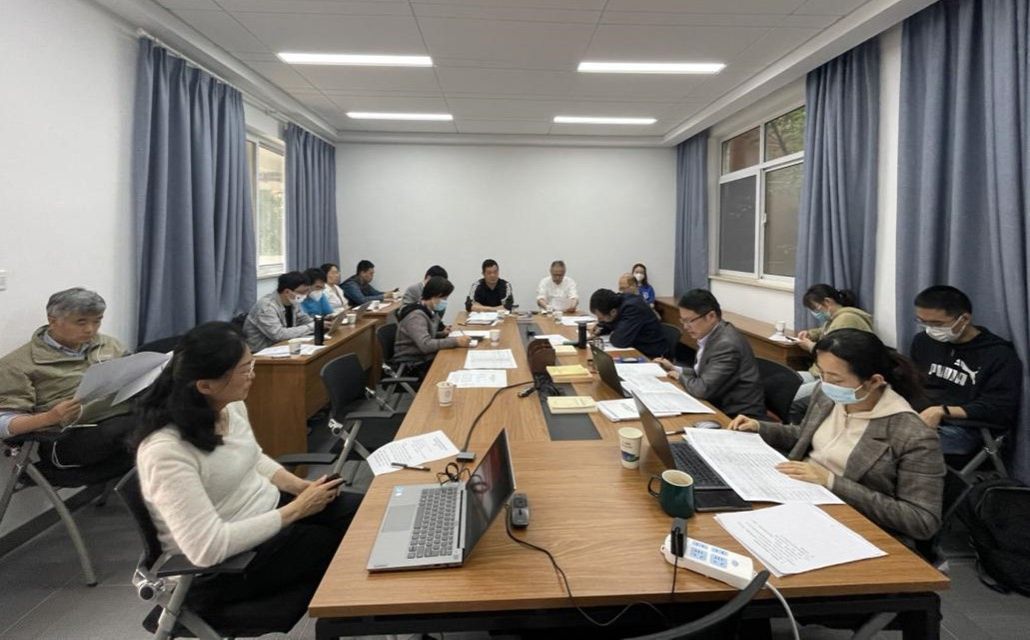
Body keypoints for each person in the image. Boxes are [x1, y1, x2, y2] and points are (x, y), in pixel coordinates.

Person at [134, 322, 360, 609]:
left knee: (363, 515)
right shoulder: (165, 451)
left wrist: (300, 488)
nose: (253, 375)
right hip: (228, 563)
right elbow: (207, 549)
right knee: (343, 551)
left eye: (251, 364)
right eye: (245, 370)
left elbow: (253, 457)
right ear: (205, 386)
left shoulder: (229, 406)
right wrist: (299, 509)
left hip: (271, 513)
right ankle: (354, 619)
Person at [727, 329, 945, 543]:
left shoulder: (912, 435)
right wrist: (759, 427)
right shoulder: (828, 395)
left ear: (874, 381)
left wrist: (831, 481)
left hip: (850, 522)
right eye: (822, 374)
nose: (825, 384)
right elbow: (804, 435)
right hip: (798, 494)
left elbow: (921, 521)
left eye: (836, 380)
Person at [0, 288, 134, 472]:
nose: (90, 329)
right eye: (81, 322)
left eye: (97, 321)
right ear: (52, 321)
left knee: (167, 415)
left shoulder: (107, 344)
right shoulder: (17, 365)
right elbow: (4, 422)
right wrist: (49, 417)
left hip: (121, 415)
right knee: (146, 431)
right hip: (68, 438)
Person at [911, 285, 1023, 455]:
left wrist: (942, 411)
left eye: (937, 323)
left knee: (906, 446)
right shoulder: (923, 342)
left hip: (967, 426)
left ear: (964, 319)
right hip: (924, 415)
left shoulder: (998, 354)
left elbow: (999, 408)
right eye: (922, 322)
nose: (930, 329)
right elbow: (915, 383)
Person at [654, 289, 765, 419]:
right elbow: (704, 374)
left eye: (689, 321)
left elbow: (702, 389)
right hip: (717, 403)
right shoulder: (712, 334)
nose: (685, 327)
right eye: (683, 321)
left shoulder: (726, 344)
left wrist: (679, 376)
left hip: (737, 417)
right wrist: (674, 368)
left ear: (711, 316)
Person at [790, 284, 875, 421]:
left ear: (828, 302)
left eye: (815, 308)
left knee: (789, 396)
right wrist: (810, 334)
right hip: (820, 373)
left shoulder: (846, 319)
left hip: (835, 379)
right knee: (785, 380)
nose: (815, 313)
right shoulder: (835, 318)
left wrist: (811, 346)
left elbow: (836, 354)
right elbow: (825, 331)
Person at [395, 277, 470, 379]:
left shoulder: (429, 310)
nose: (445, 302)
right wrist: (456, 341)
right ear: (435, 296)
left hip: (423, 357)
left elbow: (425, 335)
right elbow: (425, 345)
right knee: (455, 364)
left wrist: (442, 333)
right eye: (444, 298)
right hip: (412, 364)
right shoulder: (416, 316)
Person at [242, 271, 313, 352]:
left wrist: (319, 322)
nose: (306, 295)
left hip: (283, 347)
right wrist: (310, 327)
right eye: (302, 292)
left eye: (307, 291)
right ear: (287, 292)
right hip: (262, 352)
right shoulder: (266, 307)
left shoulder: (293, 301)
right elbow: (279, 335)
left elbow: (304, 319)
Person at [588, 289, 667, 359]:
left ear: (613, 312)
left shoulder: (632, 308)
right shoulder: (615, 303)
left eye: (601, 318)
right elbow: (613, 322)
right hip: (635, 350)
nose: (599, 320)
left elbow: (620, 341)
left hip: (652, 355)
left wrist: (613, 332)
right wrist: (600, 328)